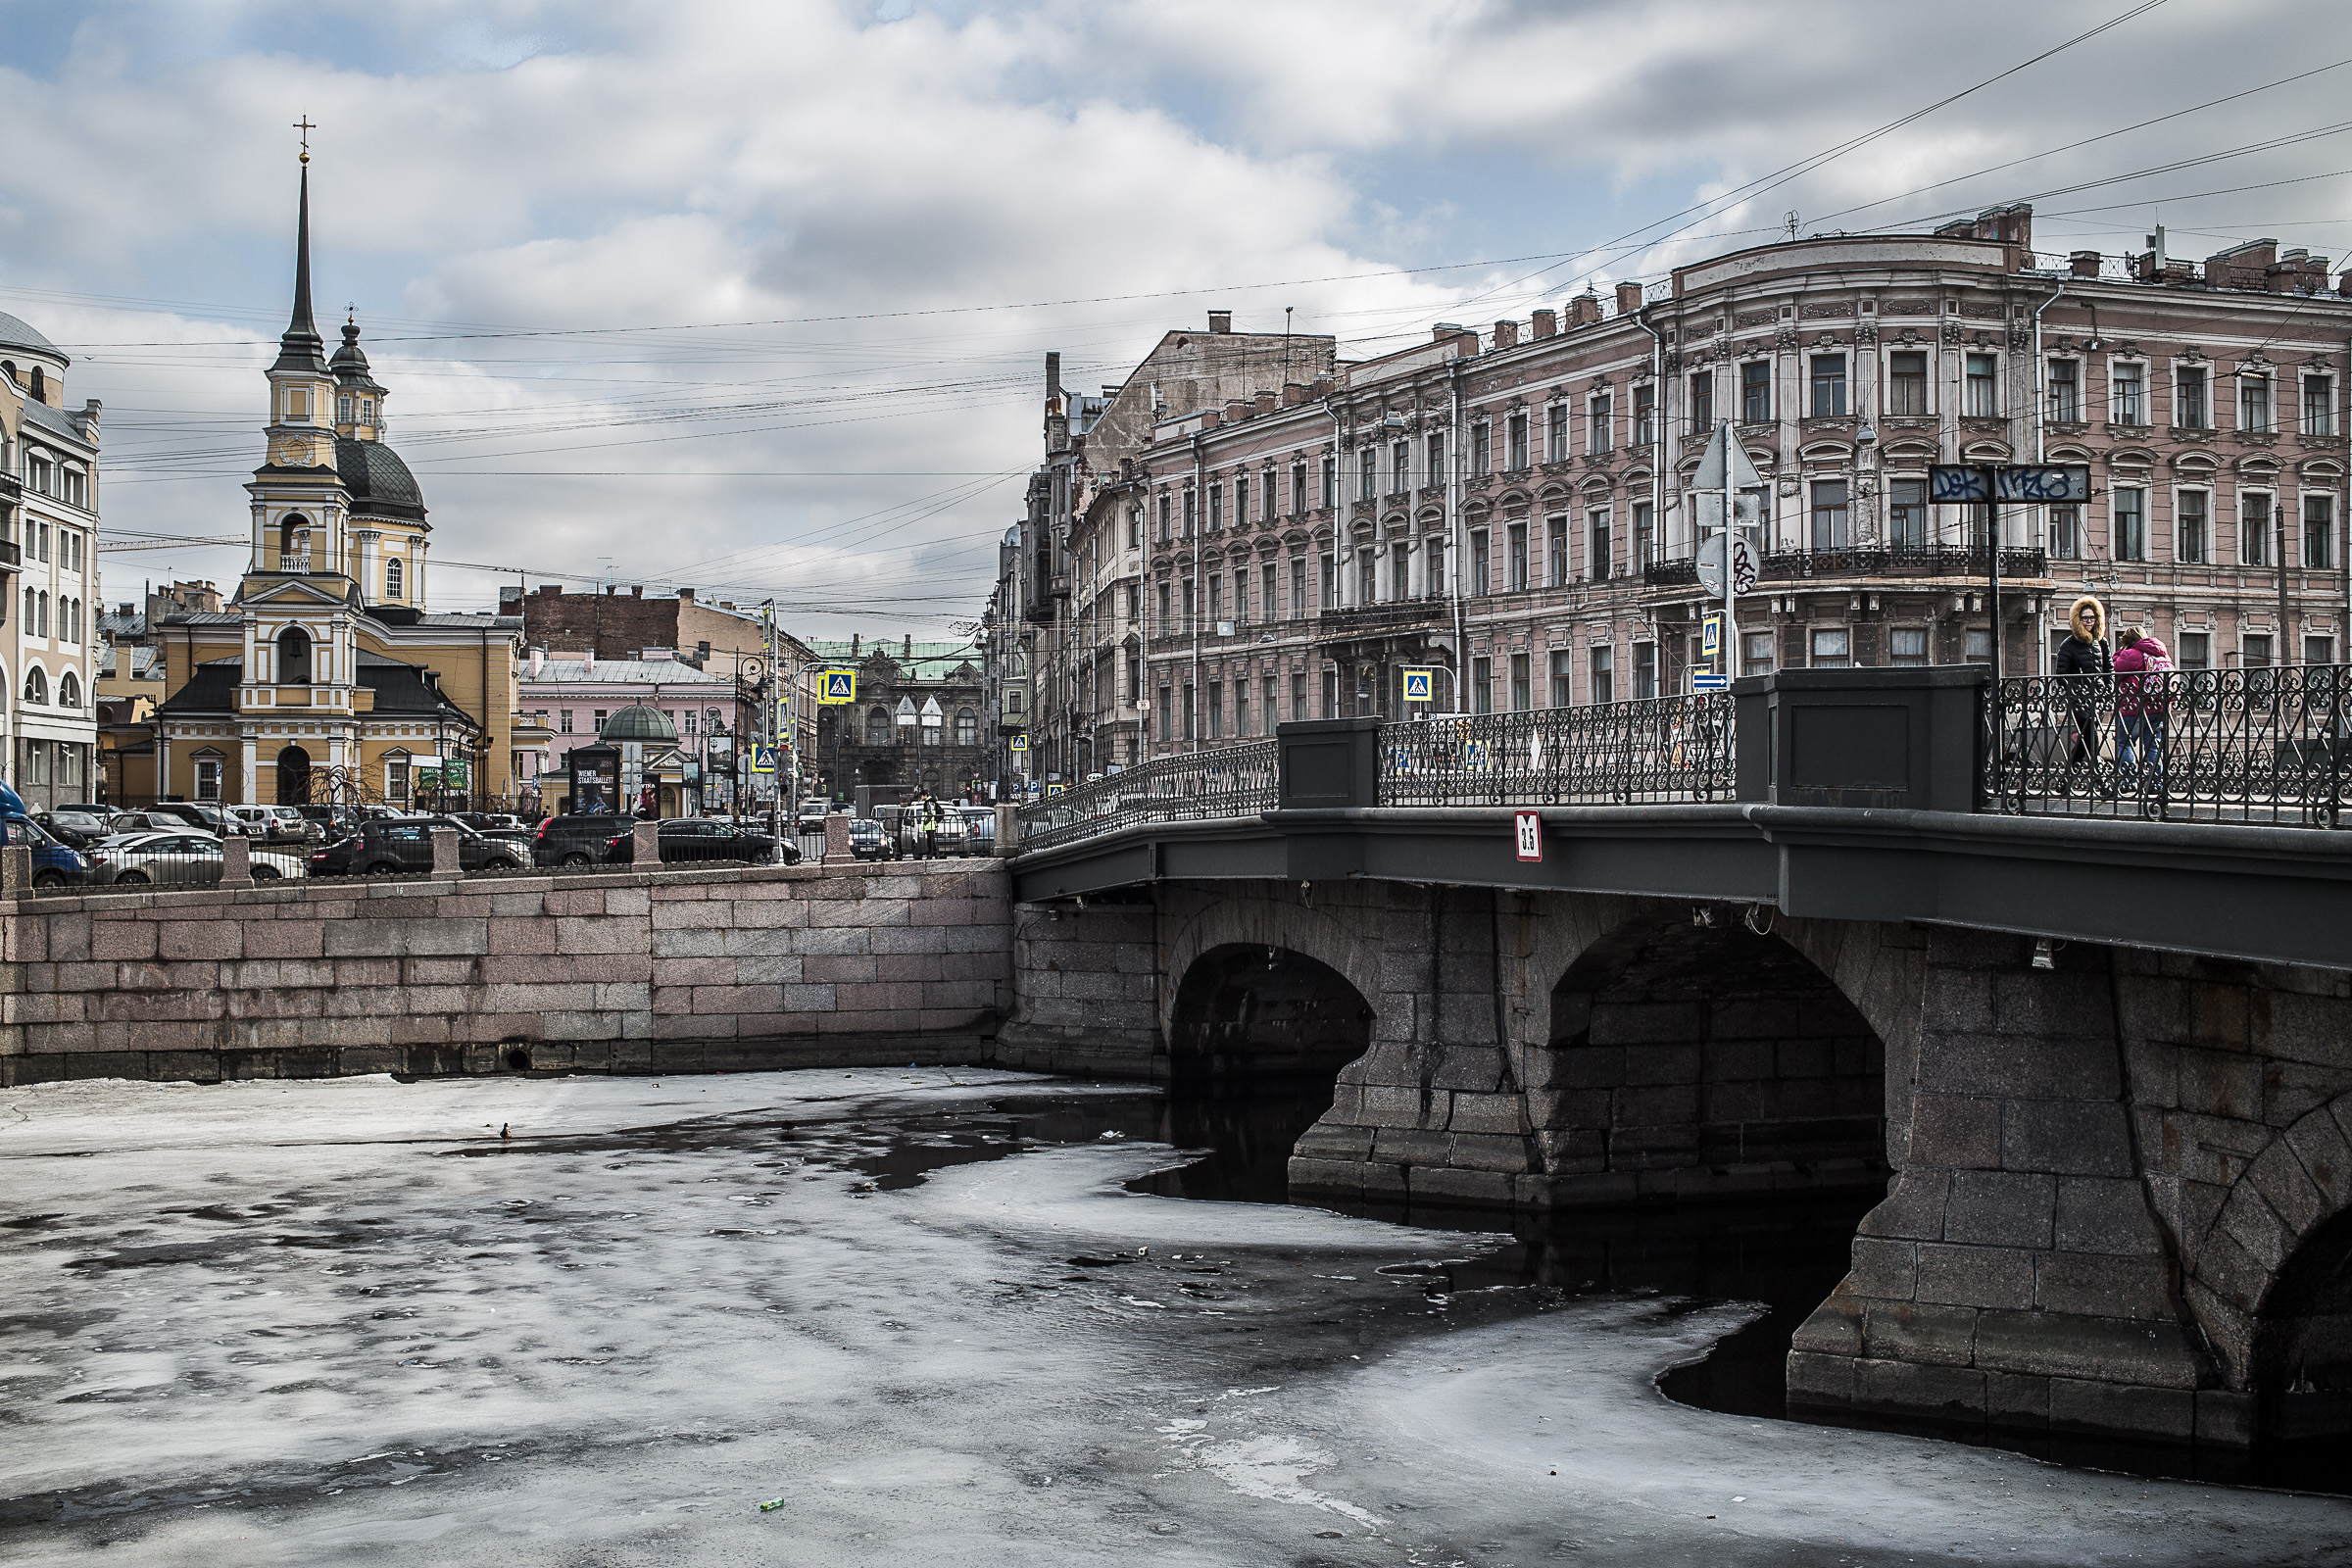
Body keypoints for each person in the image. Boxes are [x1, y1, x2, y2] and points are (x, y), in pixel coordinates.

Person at [2111, 627, 2172, 804]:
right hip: (2158, 706)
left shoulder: (2132, 654)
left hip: (2134, 706)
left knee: (2124, 742)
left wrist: (2119, 653)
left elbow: (2114, 669)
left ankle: (2129, 781)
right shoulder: (2160, 652)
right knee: (2153, 744)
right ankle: (2156, 783)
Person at [2055, 595, 2111, 780]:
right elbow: (2061, 675)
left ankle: (2066, 779)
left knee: (2085, 740)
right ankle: (2100, 779)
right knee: (2091, 736)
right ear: (2078, 620)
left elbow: (2108, 669)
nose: (2089, 622)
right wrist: (2076, 689)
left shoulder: (2100, 643)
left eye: (2092, 618)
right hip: (2079, 701)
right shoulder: (2068, 645)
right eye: (2085, 618)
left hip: (2098, 698)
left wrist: (2108, 688)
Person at [914, 791, 943, 859]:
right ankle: (935, 853)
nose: (921, 797)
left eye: (921, 796)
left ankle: (932, 853)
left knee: (930, 840)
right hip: (930, 824)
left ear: (925, 795)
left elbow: (930, 813)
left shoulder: (929, 802)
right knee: (931, 839)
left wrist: (925, 822)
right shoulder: (930, 802)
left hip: (929, 824)